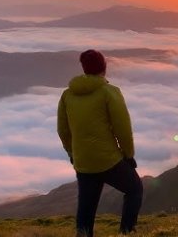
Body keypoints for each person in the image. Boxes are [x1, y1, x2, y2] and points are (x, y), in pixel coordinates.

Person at [57, 49, 143, 236]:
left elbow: (63, 131)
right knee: (135, 189)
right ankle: (126, 233)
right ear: (104, 67)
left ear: (84, 68)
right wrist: (128, 156)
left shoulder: (67, 95)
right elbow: (123, 129)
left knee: (86, 209)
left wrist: (72, 154)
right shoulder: (109, 92)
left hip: (83, 162)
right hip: (108, 160)